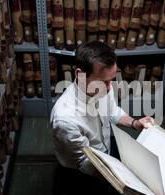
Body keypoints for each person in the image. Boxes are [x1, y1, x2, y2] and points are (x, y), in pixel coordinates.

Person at [50, 41, 154, 180]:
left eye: (111, 80)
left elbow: (112, 111)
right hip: (82, 172)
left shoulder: (103, 88)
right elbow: (84, 162)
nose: (110, 87)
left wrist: (135, 123)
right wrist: (122, 179)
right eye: (104, 81)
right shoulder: (65, 119)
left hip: (104, 151)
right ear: (80, 75)